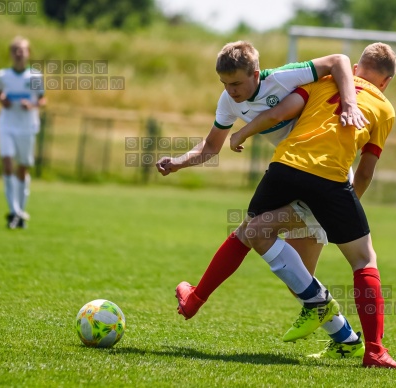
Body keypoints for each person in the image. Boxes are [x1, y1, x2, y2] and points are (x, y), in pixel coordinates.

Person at [156, 41, 369, 359]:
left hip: (322, 177)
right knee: (297, 279)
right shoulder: (228, 101)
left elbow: (339, 60)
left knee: (253, 233)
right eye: (225, 84)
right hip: (292, 175)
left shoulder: (282, 78)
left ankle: (196, 298)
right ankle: (348, 339)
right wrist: (178, 162)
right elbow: (211, 147)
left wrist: (350, 104)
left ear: (256, 74)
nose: (231, 90)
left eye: (237, 83)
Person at [231, 42, 396, 369]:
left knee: (258, 239)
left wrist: (243, 132)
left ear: (354, 69)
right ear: (386, 82)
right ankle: (374, 350)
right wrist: (344, 209)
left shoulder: (322, 81)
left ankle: (345, 339)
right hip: (334, 184)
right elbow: (365, 172)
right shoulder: (385, 108)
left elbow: (279, 113)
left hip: (285, 166)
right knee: (364, 260)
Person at [0, 36, 46, 229]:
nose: (18, 53)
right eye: (15, 49)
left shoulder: (34, 77)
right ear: (10, 53)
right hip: (7, 124)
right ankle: (14, 211)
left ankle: (20, 212)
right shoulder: (3, 75)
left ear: (28, 53)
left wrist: (31, 105)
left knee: (22, 169)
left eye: (22, 50)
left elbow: (42, 100)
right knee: (7, 163)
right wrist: (3, 100)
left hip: (27, 127)